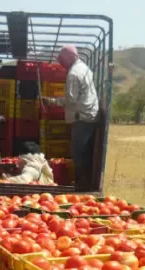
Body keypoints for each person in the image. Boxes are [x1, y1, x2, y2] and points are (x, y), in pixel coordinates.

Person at [41, 45, 100, 191]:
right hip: (90, 113)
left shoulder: (73, 73)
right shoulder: (84, 68)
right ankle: (85, 181)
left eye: (62, 60)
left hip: (82, 116)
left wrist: (52, 101)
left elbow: (71, 100)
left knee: (78, 151)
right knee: (85, 150)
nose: (61, 64)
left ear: (68, 58)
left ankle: (82, 184)